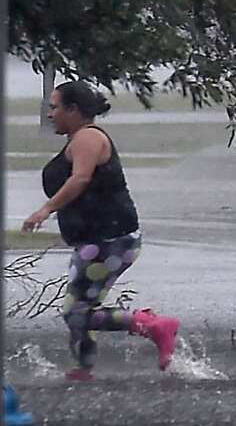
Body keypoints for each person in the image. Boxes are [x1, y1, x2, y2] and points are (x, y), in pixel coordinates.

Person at [22, 81, 180, 381]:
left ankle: (151, 325)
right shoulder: (79, 139)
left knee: (76, 312)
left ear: (74, 109)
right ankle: (83, 369)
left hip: (110, 240)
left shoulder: (88, 138)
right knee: (81, 308)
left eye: (55, 107)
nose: (50, 114)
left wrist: (46, 209)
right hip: (101, 240)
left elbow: (80, 179)